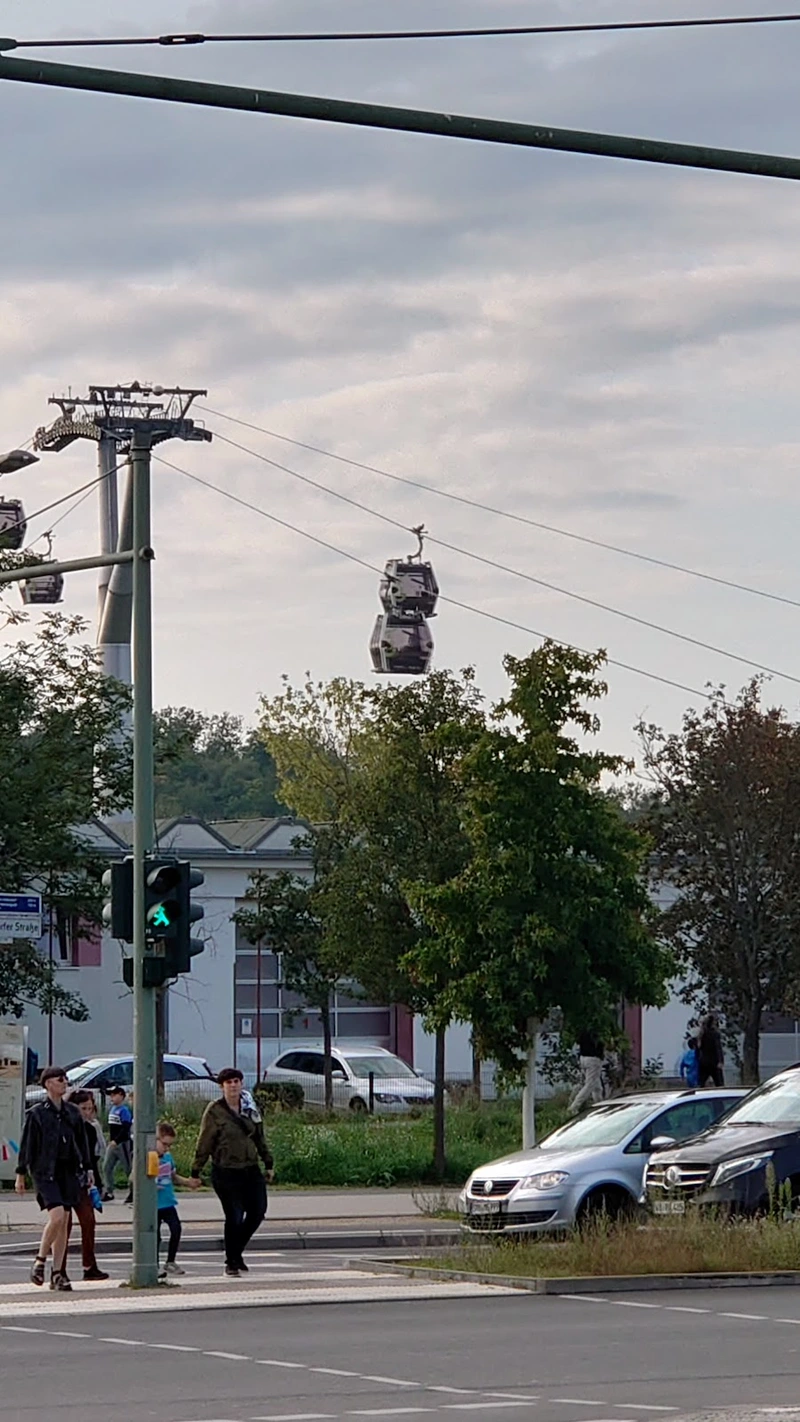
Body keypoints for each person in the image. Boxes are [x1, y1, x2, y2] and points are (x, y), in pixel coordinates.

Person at [15, 1065, 93, 1292]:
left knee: (64, 1220)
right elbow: (27, 1145)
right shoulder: (37, 1114)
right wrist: (21, 1173)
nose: (64, 1082)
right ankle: (40, 1261)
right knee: (57, 1215)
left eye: (65, 1079)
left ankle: (58, 1273)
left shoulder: (72, 1112)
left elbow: (82, 1143)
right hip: (44, 1171)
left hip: (68, 1170)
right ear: (48, 1084)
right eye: (60, 1079)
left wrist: (87, 1169)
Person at [191, 1068, 273, 1278]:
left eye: (236, 1081)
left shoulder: (249, 1107)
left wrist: (268, 1162)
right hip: (226, 1170)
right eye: (228, 1082)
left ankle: (237, 1252)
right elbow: (205, 1141)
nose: (233, 1085)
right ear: (222, 1087)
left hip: (250, 1168)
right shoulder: (215, 1111)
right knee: (234, 1215)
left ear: (241, 1083)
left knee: (257, 1211)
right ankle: (231, 1260)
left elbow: (259, 1137)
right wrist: (196, 1170)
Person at [65, 1090, 109, 1281]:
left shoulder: (90, 1129)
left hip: (83, 1180)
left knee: (88, 1221)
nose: (87, 1113)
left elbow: (92, 1156)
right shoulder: (65, 1127)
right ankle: (59, 1267)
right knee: (62, 1225)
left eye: (90, 1109)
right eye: (83, 1109)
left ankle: (89, 1265)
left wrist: (94, 1180)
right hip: (65, 1180)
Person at [155, 1120, 200, 1279]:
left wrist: (188, 1183)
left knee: (176, 1229)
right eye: (164, 1144)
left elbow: (173, 1177)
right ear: (156, 1140)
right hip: (154, 1204)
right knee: (155, 1236)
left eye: (169, 1145)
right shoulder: (147, 1157)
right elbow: (134, 1178)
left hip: (167, 1201)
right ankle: (154, 1265)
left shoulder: (167, 1158)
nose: (167, 1149)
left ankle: (170, 1260)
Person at [102, 1085, 133, 1202]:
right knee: (106, 1167)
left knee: (128, 1169)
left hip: (123, 1144)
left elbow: (126, 1128)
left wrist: (117, 1140)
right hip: (113, 1144)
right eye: (111, 1095)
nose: (112, 1097)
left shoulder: (124, 1110)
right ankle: (109, 1191)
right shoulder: (112, 1110)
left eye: (114, 1095)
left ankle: (133, 1192)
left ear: (121, 1095)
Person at [568, 1031, 606, 1116]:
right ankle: (574, 1106)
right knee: (590, 1085)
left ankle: (600, 1106)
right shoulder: (598, 1029)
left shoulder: (584, 1029)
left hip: (583, 1057)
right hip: (594, 1059)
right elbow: (602, 1042)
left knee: (597, 1087)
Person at [697, 1013, 725, 1086]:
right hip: (714, 1062)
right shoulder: (715, 1034)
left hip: (703, 1061)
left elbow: (698, 1048)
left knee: (701, 1082)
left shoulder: (701, 1034)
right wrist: (720, 1060)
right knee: (719, 1083)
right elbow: (718, 1047)